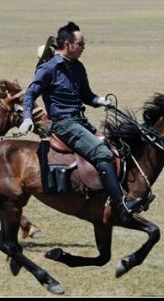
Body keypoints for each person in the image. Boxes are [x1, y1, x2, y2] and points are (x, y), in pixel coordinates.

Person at [19, 21, 144, 226]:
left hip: (81, 121)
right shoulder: (49, 68)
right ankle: (119, 203)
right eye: (81, 43)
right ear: (68, 44)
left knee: (114, 148)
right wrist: (26, 117)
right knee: (102, 154)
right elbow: (30, 93)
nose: (84, 47)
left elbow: (87, 96)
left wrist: (100, 100)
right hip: (63, 124)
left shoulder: (77, 67)